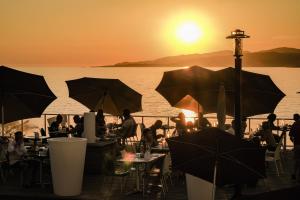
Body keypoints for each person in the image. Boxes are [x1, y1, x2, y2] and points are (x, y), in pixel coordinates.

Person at [289, 113, 300, 180]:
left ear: (294, 118)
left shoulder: (295, 124)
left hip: (297, 144)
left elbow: (290, 135)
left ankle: (294, 174)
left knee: (297, 159)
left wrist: (293, 141)